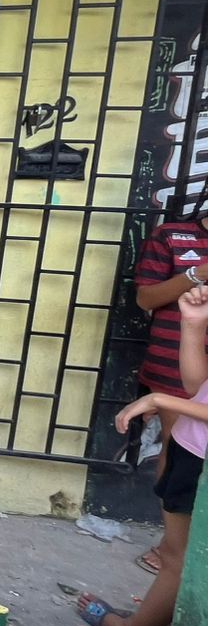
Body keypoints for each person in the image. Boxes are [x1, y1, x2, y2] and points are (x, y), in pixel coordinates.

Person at [76, 283, 208, 626]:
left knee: (179, 558)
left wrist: (162, 399)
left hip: (200, 464)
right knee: (176, 554)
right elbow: (200, 387)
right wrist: (194, 325)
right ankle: (164, 620)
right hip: (190, 451)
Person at [131, 215, 208, 573]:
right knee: (179, 447)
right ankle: (170, 546)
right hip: (177, 361)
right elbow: (145, 298)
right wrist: (196, 275)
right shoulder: (172, 236)